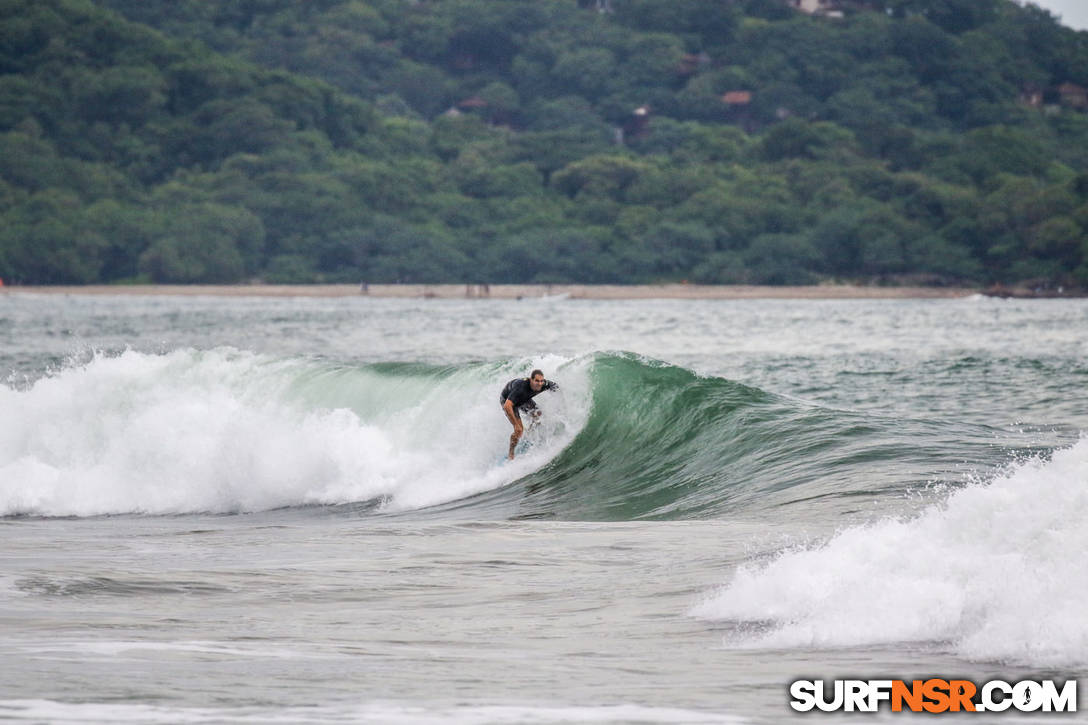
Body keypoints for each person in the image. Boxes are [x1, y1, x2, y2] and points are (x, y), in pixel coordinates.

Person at [499, 369, 558, 460]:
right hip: (507, 401)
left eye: (541, 381)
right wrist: (515, 425)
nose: (539, 384)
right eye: (537, 381)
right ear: (531, 380)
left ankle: (529, 435)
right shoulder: (521, 388)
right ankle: (511, 454)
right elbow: (507, 406)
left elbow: (557, 389)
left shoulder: (544, 385)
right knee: (519, 430)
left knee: (538, 416)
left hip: (524, 399)